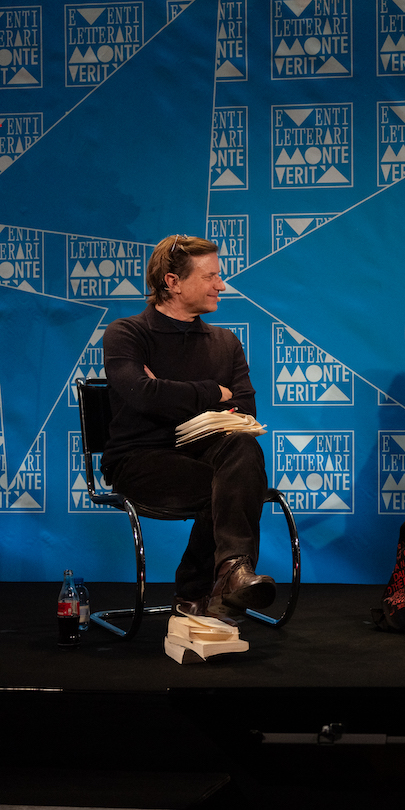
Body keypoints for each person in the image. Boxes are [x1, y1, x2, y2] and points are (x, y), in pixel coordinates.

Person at [101, 234, 275, 619]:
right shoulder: (127, 333)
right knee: (233, 487)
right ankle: (200, 590)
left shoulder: (225, 342)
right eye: (210, 276)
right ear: (173, 282)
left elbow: (245, 409)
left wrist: (169, 392)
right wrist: (214, 391)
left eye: (219, 275)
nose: (221, 285)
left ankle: (231, 572)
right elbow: (143, 394)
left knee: (243, 448)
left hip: (207, 457)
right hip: (140, 461)